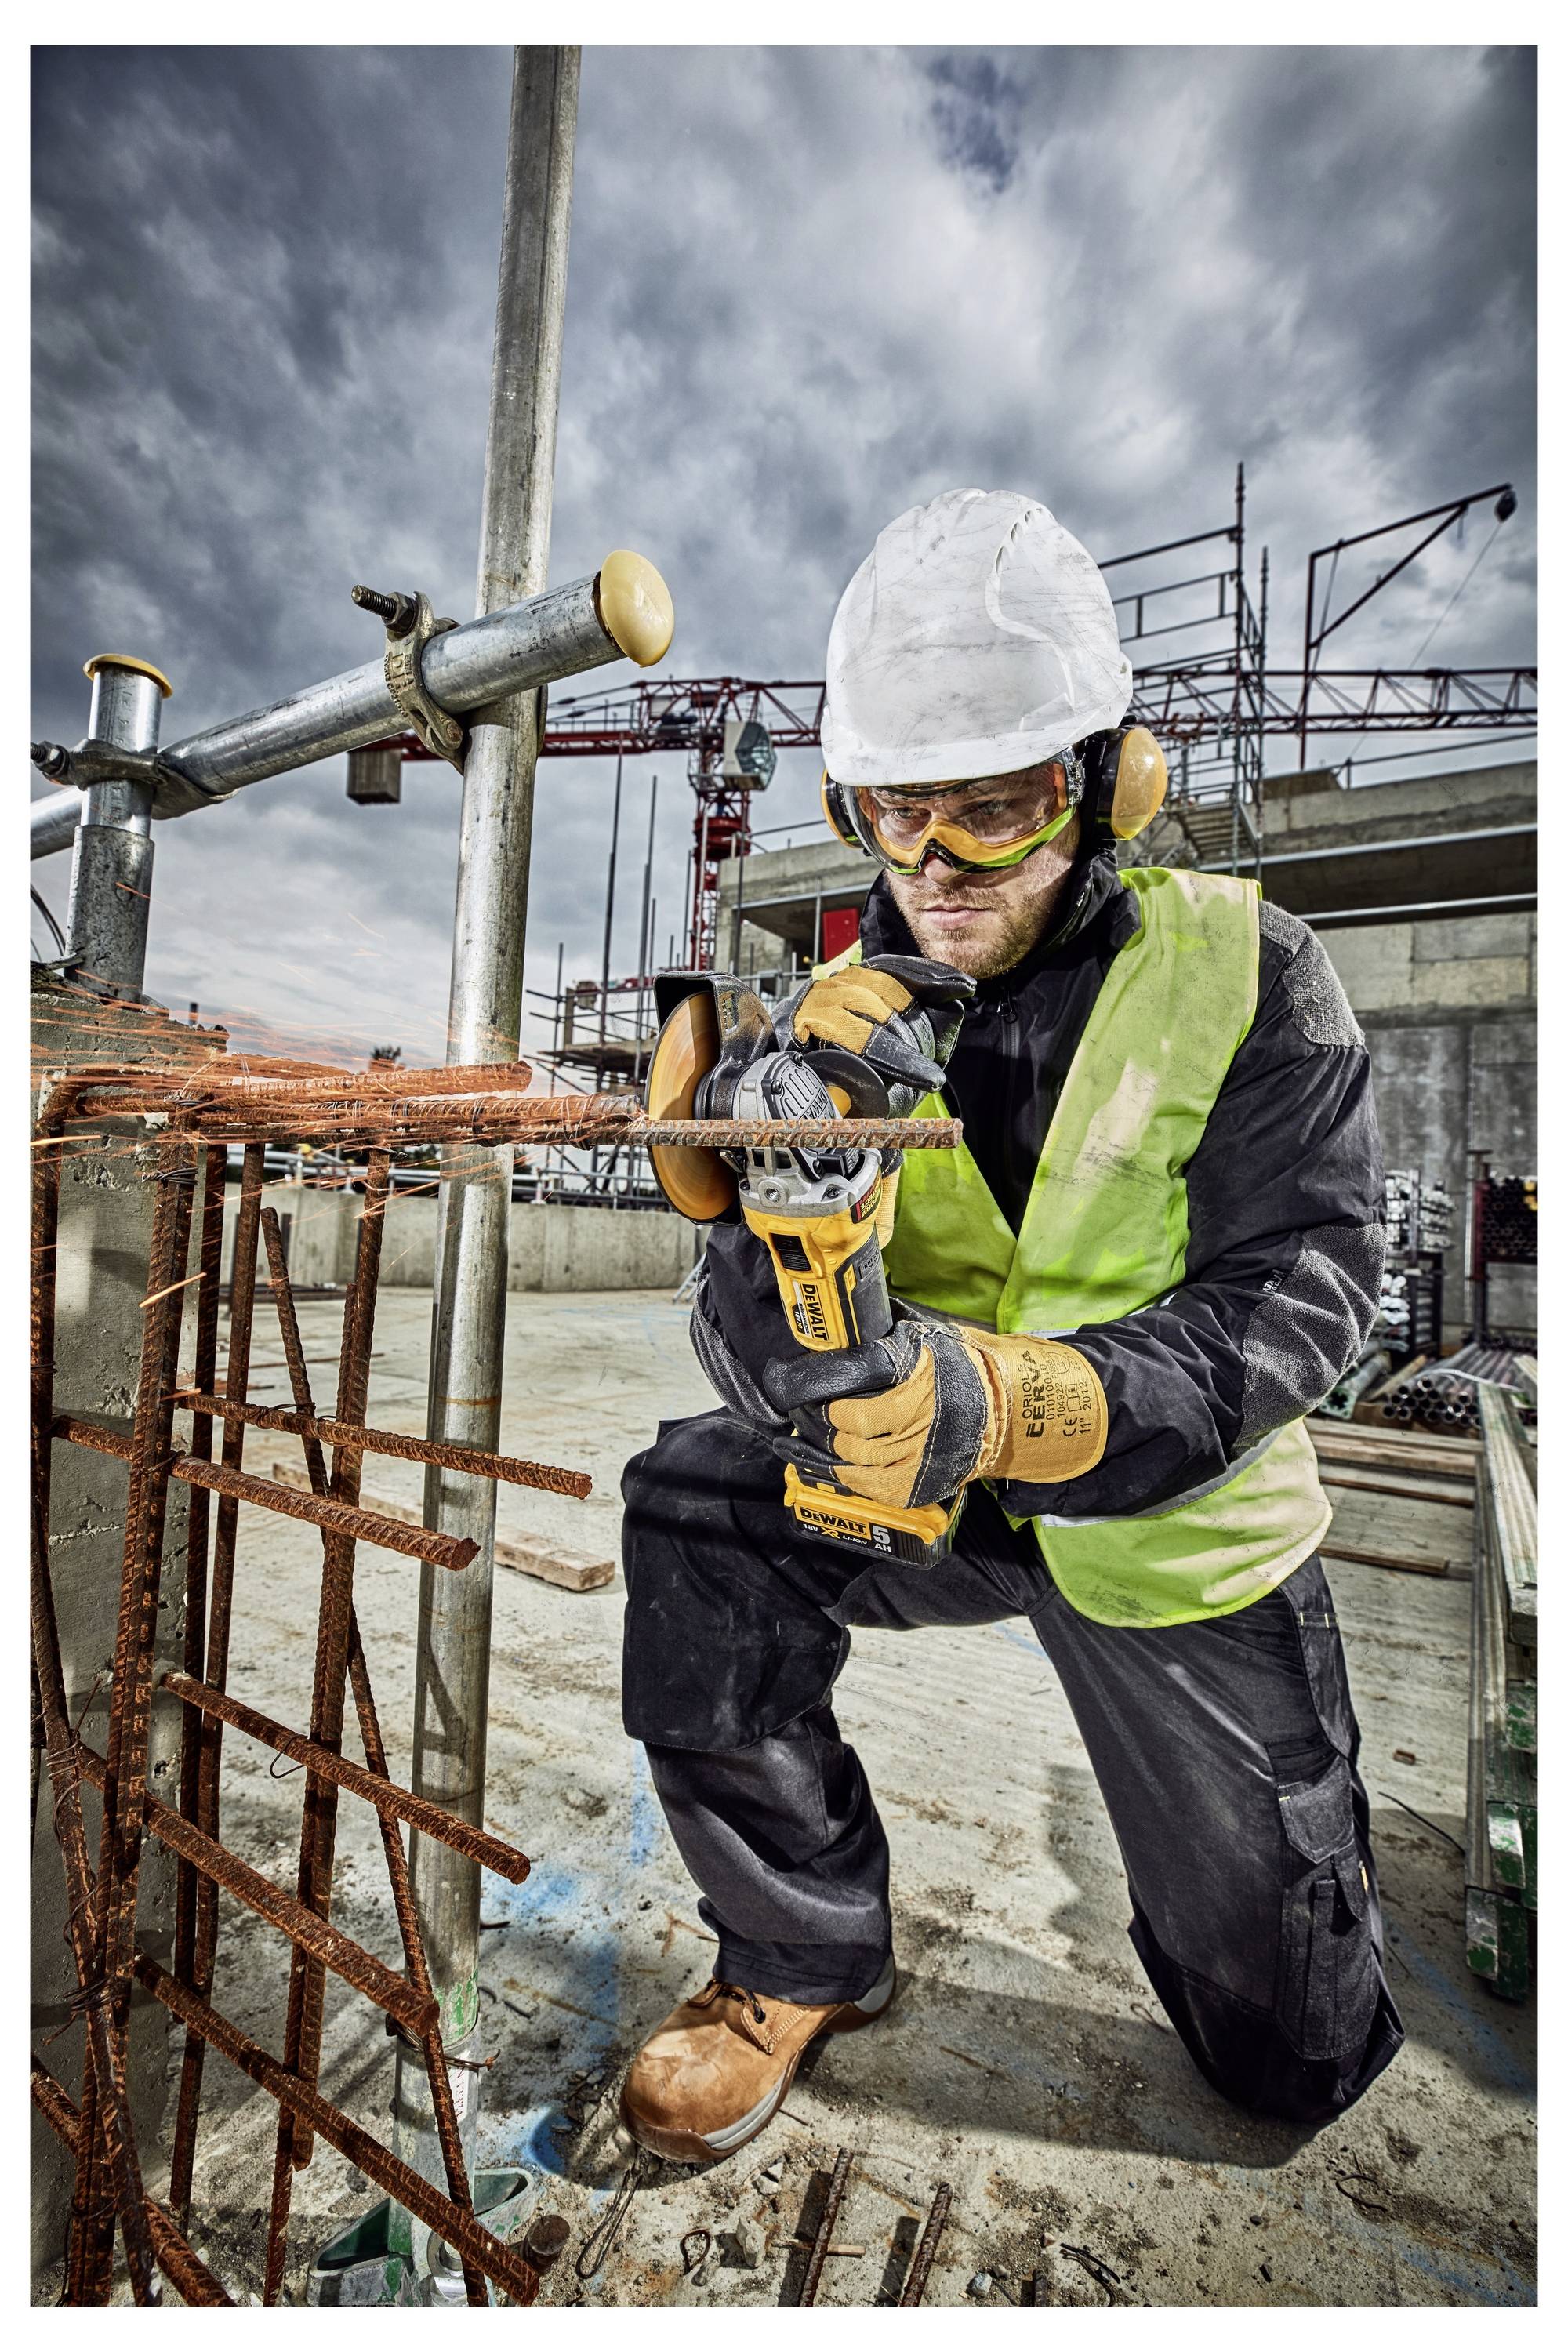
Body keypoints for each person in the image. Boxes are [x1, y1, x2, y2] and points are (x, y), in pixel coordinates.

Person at [616, 488, 1402, 2163]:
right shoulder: (830, 1023)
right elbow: (760, 1346)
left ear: (1109, 786)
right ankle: (797, 1948)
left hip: (1168, 1528)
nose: (938, 866)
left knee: (1287, 2066)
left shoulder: (1253, 968)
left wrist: (996, 1402)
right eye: (896, 815)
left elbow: (1304, 1291)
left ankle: (1264, 1972)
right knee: (696, 1508)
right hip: (932, 1501)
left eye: (999, 808)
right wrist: (776, 1254)